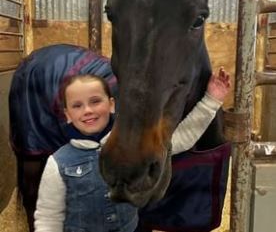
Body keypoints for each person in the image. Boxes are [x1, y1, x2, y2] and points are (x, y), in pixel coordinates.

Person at [34, 67, 230, 232]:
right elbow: (48, 218)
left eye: (95, 101)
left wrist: (212, 99)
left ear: (111, 105)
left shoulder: (134, 145)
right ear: (68, 115)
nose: (87, 110)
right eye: (77, 106)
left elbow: (181, 139)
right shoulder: (58, 163)